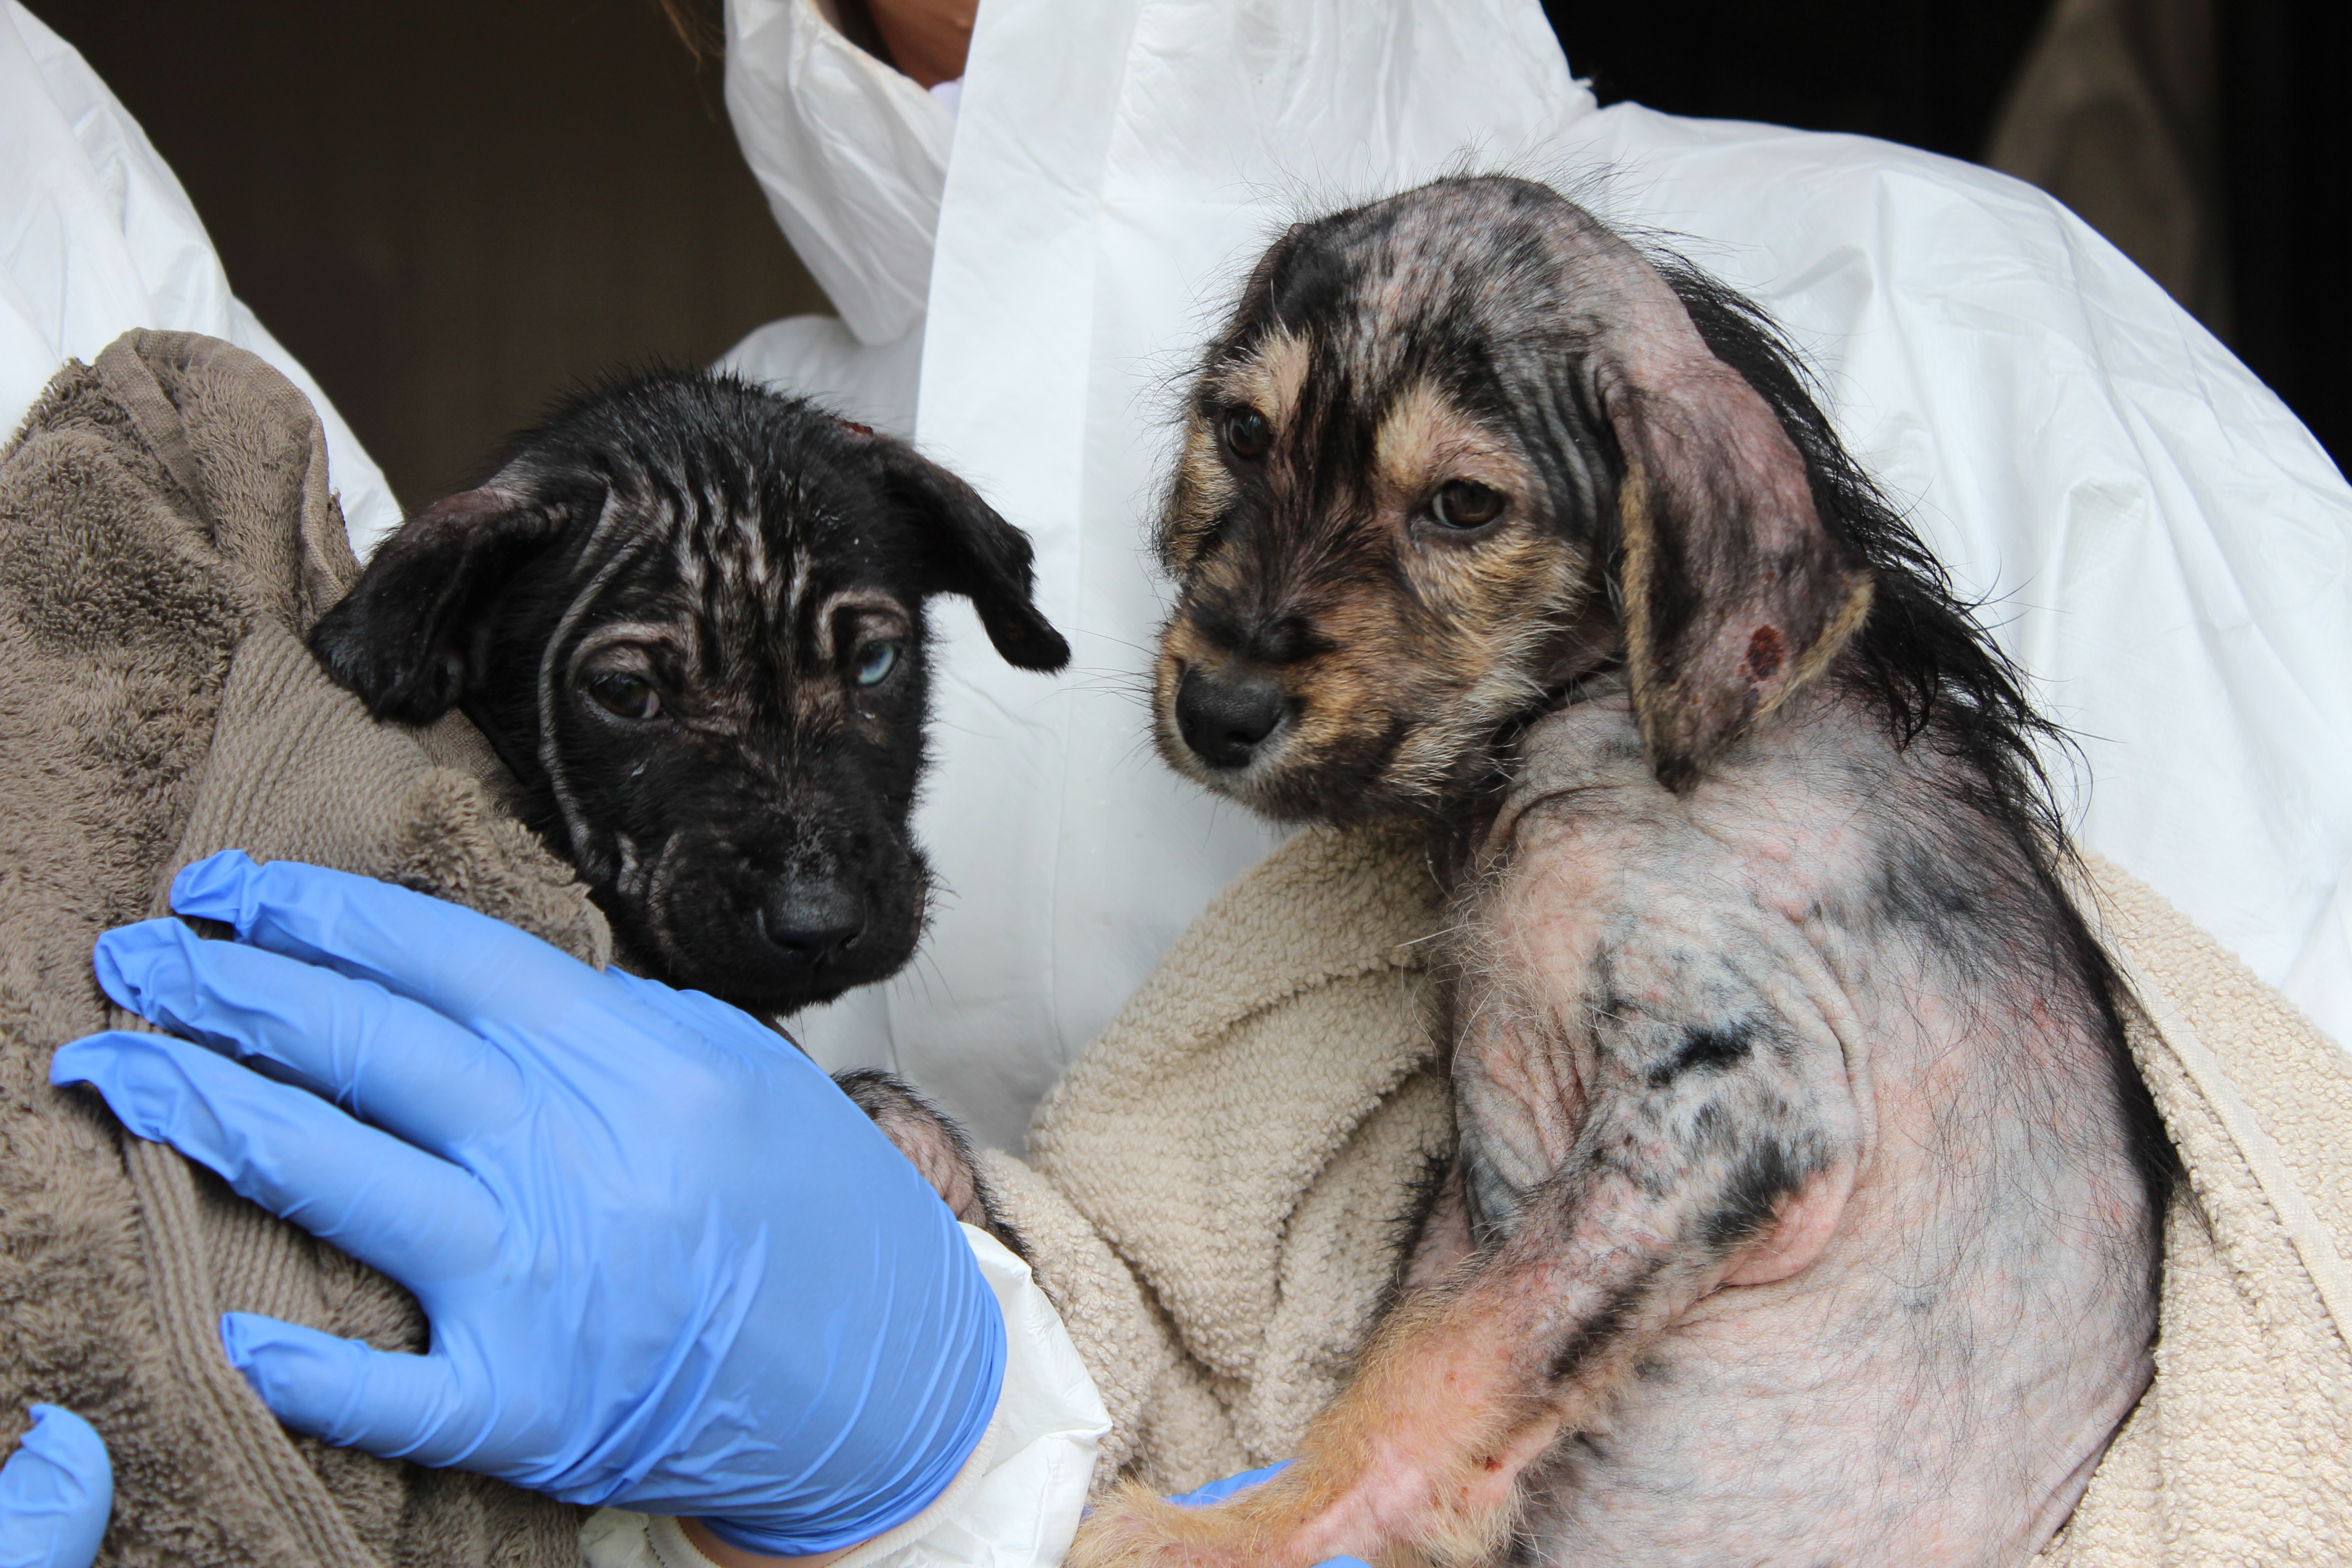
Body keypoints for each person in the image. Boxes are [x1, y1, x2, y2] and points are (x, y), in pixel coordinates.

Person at [8, 0, 2352, 1563]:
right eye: (1229, 459)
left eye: (1453, 512)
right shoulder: (727, 446)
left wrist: (993, 1457)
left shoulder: (1946, 328)